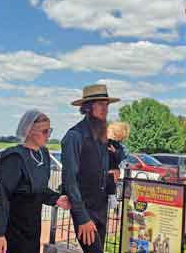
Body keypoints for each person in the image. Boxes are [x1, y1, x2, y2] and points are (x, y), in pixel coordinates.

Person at [0, 109, 71, 253]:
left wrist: (56, 199)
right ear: (30, 131)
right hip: (10, 231)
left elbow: (38, 189)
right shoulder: (14, 158)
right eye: (45, 131)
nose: (48, 136)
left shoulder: (43, 154)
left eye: (50, 131)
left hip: (31, 230)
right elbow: (1, 196)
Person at [62, 84, 126, 253]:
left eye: (107, 104)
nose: (105, 109)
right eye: (100, 104)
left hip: (101, 208)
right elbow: (70, 180)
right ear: (88, 107)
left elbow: (106, 167)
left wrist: (113, 174)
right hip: (85, 210)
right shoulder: (74, 136)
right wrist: (82, 217)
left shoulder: (102, 135)